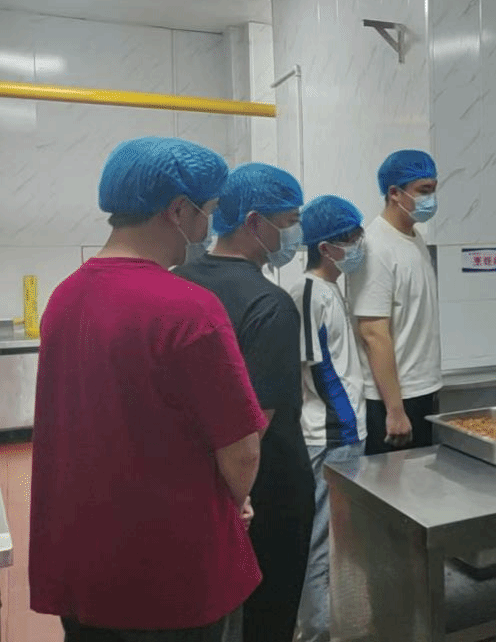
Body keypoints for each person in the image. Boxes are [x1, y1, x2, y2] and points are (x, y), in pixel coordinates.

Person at [30, 137, 266, 642]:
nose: (206, 229)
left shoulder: (64, 298)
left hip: (87, 567)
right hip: (173, 577)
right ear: (178, 211)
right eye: (207, 213)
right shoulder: (189, 309)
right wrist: (235, 500)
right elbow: (242, 450)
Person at [174, 163, 314, 642]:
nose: (295, 234)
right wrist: (237, 499)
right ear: (255, 222)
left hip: (196, 486)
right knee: (267, 616)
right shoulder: (269, 305)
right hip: (265, 492)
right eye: (290, 221)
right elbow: (255, 425)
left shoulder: (178, 283)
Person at [291, 196, 367, 642]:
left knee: (341, 540)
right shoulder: (308, 293)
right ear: (326, 247)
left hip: (344, 433)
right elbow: (315, 369)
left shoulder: (332, 288)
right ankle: (317, 630)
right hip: (329, 436)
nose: (359, 245)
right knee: (321, 541)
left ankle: (336, 624)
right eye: (351, 238)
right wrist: (348, 427)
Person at [351, 149, 443, 454]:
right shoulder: (376, 246)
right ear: (394, 193)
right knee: (391, 482)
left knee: (419, 480)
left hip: (421, 389)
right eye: (423, 191)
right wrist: (395, 409)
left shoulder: (415, 239)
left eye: (433, 189)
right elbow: (373, 333)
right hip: (391, 400)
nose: (431, 199)